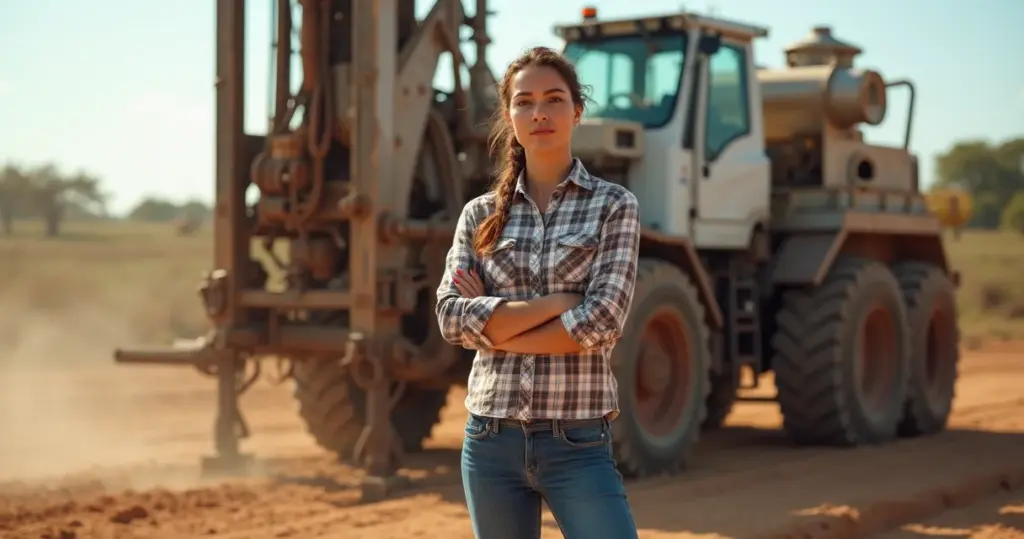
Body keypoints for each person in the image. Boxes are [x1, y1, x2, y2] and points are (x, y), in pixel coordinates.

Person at [435, 46, 641, 539]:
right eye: (524, 102)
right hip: (488, 440)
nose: (539, 112)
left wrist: (494, 331)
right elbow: (450, 317)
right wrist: (555, 305)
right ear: (509, 116)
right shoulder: (479, 215)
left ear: (577, 110)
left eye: (553, 98)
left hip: (577, 442)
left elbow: (600, 322)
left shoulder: (614, 207)